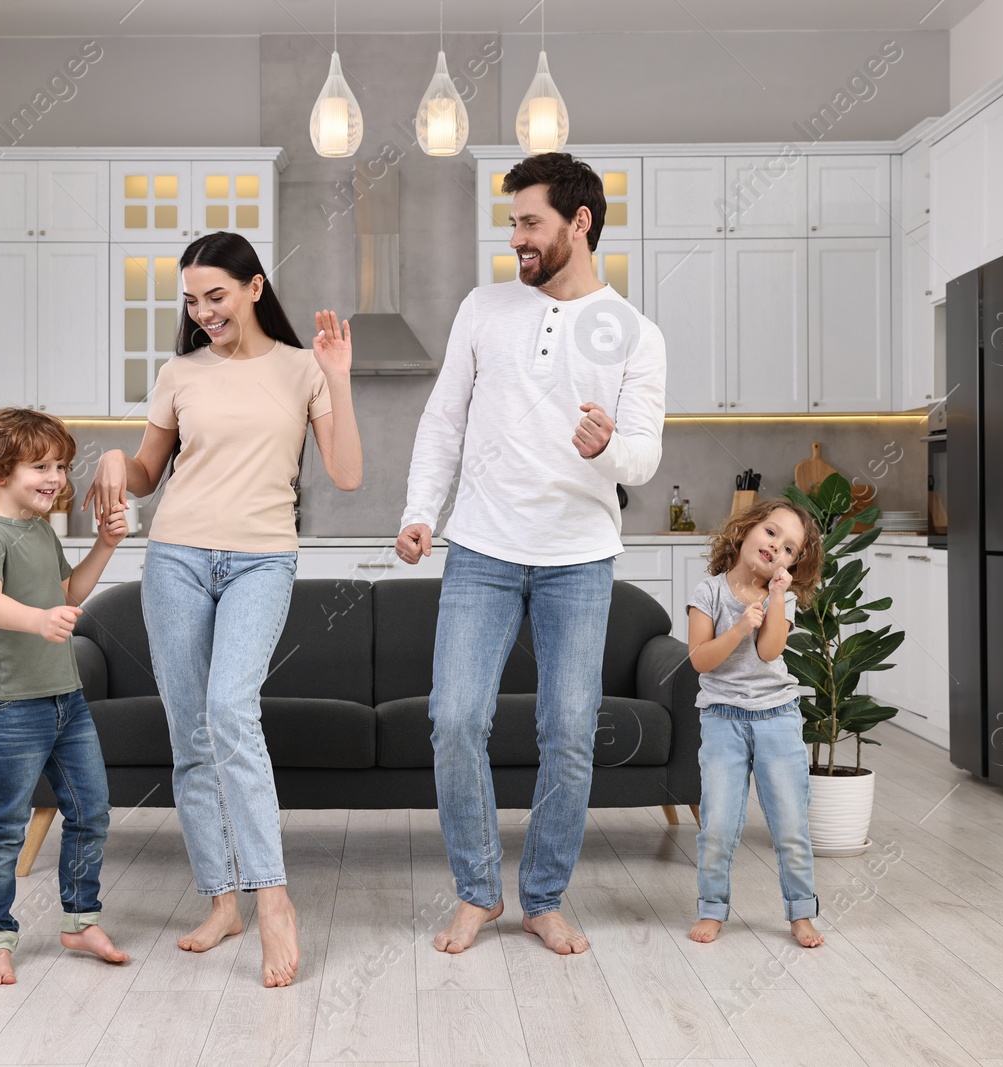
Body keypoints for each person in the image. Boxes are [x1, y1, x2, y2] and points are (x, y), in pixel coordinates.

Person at [396, 153, 666, 956]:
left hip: (579, 557)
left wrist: (608, 447)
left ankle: (543, 896)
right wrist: (420, 512)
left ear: (579, 223)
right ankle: (478, 890)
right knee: (454, 719)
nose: (515, 236)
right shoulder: (484, 308)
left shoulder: (636, 334)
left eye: (529, 222)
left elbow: (644, 456)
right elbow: (443, 419)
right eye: (512, 221)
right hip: (481, 546)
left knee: (569, 730)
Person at [84, 231, 362, 988]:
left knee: (231, 709)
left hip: (263, 558)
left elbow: (344, 471)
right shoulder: (180, 371)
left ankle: (272, 898)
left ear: (254, 288)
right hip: (174, 556)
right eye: (192, 300)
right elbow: (146, 473)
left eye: (217, 295)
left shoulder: (304, 367)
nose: (204, 311)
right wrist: (115, 460)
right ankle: (220, 899)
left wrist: (339, 378)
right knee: (190, 730)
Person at [0, 407, 133, 986]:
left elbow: (68, 590)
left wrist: (105, 546)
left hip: (67, 699)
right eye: (40, 465)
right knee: (5, 823)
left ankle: (81, 919)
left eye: (59, 464)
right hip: (12, 706)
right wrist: (38, 621)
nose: (57, 476)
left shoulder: (38, 528)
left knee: (92, 811)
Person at [685, 498, 826, 949]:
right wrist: (739, 626)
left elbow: (770, 653)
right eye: (771, 533)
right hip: (722, 719)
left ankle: (801, 913)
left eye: (789, 548)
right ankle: (712, 909)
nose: (775, 548)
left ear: (794, 564)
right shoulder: (707, 592)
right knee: (719, 825)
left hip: (778, 718)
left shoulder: (779, 599)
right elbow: (700, 660)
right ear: (746, 530)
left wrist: (778, 597)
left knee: (789, 824)